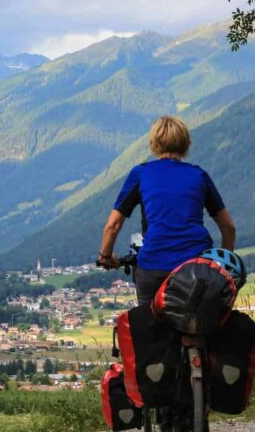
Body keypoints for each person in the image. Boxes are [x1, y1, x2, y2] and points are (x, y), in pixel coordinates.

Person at [98, 115, 237, 305]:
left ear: (153, 143)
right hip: (197, 268)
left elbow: (113, 225)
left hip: (153, 267)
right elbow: (228, 228)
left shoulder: (141, 174)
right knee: (203, 325)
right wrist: (223, 269)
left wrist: (106, 256)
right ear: (185, 143)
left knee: (150, 327)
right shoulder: (199, 175)